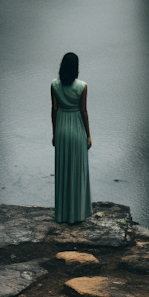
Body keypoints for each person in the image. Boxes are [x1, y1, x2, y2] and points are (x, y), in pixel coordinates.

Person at [51, 51, 92, 223]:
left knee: (63, 171)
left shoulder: (54, 85)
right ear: (76, 68)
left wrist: (54, 133)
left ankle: (63, 213)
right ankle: (78, 213)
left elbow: (54, 110)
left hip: (61, 128)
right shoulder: (82, 86)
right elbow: (83, 111)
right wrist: (88, 135)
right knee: (77, 171)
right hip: (76, 129)